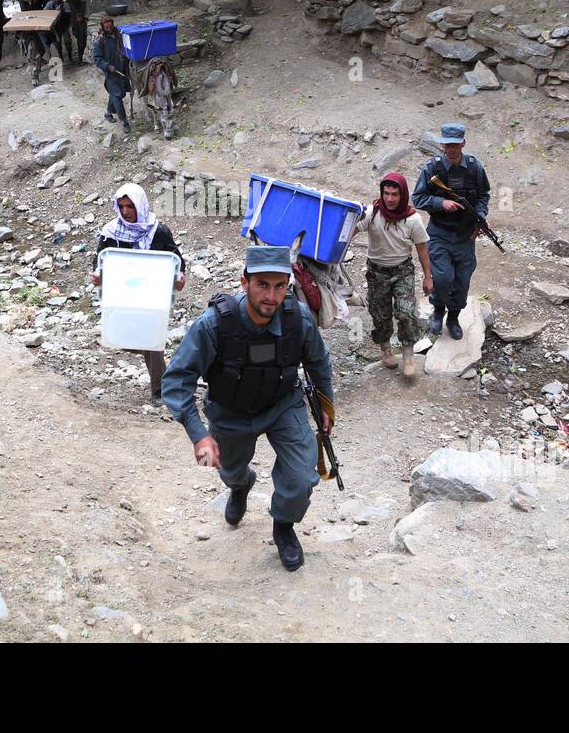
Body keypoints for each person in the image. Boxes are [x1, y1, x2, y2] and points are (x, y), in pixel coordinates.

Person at [161, 245, 334, 571]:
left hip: (282, 405)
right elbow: (176, 380)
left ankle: (283, 525)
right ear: (244, 282)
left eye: (280, 286)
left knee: (300, 477)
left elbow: (318, 361)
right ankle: (241, 486)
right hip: (230, 412)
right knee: (230, 470)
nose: (272, 295)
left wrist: (326, 403)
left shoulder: (298, 319)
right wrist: (198, 435)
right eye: (262, 285)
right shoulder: (214, 325)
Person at [90, 182, 186, 399]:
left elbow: (176, 261)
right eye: (121, 206)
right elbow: (99, 262)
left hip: (151, 298)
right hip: (122, 297)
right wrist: (98, 276)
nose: (126, 212)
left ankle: (161, 391)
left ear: (140, 205)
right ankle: (174, 376)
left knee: (152, 340)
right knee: (127, 340)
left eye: (130, 206)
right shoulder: (111, 233)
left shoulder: (158, 231)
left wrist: (179, 278)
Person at [411, 122, 491, 340]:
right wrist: (440, 203)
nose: (452, 149)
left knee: (462, 280)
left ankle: (453, 317)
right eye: (448, 144)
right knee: (444, 278)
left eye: (456, 144)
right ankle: (438, 310)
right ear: (442, 144)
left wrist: (481, 217)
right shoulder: (432, 168)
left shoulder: (475, 168)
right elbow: (417, 198)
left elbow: (484, 196)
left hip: (465, 235)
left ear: (463, 143)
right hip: (439, 232)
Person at [353, 172, 433, 378]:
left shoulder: (412, 219)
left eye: (394, 194)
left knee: (406, 313)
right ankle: (386, 349)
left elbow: (422, 248)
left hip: (402, 270)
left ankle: (407, 353)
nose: (389, 198)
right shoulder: (372, 214)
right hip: (376, 272)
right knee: (379, 314)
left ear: (403, 194)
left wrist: (428, 276)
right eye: (386, 193)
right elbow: (350, 231)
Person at [92, 12, 131, 133]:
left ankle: (108, 113)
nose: (109, 29)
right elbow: (97, 59)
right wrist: (108, 66)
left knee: (117, 94)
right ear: (102, 27)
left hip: (122, 70)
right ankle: (124, 121)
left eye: (110, 27)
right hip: (111, 73)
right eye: (106, 27)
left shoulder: (119, 34)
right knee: (117, 96)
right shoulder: (100, 40)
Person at [44, 0, 73, 64]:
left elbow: (68, 15)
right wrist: (54, 13)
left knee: (67, 41)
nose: (57, 0)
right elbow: (44, 13)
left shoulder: (65, 4)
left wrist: (61, 13)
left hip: (64, 26)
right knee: (57, 43)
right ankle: (61, 58)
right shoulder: (49, 4)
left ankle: (70, 57)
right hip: (55, 27)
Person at [68, 0, 88, 64]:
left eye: (80, 17)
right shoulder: (75, 23)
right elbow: (74, 31)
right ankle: (80, 60)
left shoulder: (84, 21)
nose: (79, 19)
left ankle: (83, 59)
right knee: (80, 48)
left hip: (84, 36)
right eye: (78, 17)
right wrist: (76, 35)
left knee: (84, 47)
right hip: (79, 37)